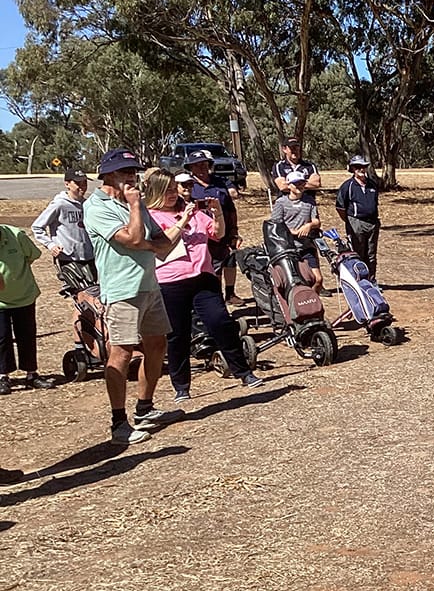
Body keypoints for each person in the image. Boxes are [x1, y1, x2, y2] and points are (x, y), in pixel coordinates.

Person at [83, 149, 185, 444]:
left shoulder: (134, 203)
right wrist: (135, 209)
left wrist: (145, 239)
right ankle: (119, 423)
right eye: (124, 171)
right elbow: (135, 238)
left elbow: (162, 243)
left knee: (157, 345)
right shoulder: (97, 207)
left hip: (149, 286)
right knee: (123, 352)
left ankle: (145, 408)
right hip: (122, 290)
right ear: (107, 175)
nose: (131, 177)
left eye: (133, 171)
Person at [145, 168, 263, 401]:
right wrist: (184, 220)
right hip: (170, 282)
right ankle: (181, 386)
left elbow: (217, 234)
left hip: (203, 277)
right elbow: (163, 243)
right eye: (168, 190)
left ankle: (244, 372)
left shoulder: (193, 211)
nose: (174, 194)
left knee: (221, 322)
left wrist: (217, 214)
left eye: (175, 189)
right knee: (177, 335)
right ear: (157, 192)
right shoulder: (150, 216)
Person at [0, 224, 58, 394]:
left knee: (27, 335)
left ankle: (31, 374)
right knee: (2, 338)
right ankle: (3, 376)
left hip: (24, 295)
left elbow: (33, 255)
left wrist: (16, 273)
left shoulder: (16, 235)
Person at [185, 149, 242, 304]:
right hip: (203, 233)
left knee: (229, 260)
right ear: (190, 168)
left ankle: (230, 293)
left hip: (225, 229)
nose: (202, 168)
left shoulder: (219, 182)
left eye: (204, 164)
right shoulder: (189, 186)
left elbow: (231, 208)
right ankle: (216, 297)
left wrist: (234, 231)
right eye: (197, 165)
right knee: (212, 266)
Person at [269, 170, 327, 295]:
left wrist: (309, 226)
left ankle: (311, 300)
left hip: (306, 246)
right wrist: (293, 232)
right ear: (289, 185)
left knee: (318, 279)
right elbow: (275, 225)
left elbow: (316, 221)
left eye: (302, 183)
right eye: (296, 183)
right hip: (287, 248)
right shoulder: (281, 203)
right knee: (293, 282)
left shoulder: (309, 201)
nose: (299, 186)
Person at [31, 168, 94, 267]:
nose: (82, 187)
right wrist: (51, 245)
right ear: (67, 184)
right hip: (68, 257)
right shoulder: (59, 204)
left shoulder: (88, 204)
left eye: (84, 183)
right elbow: (37, 227)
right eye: (78, 183)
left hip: (90, 256)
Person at [335, 155, 381, 280]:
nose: (361, 169)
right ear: (352, 169)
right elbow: (340, 207)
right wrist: (350, 221)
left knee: (371, 254)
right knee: (357, 252)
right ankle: (358, 280)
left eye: (363, 166)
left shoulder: (372, 184)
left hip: (372, 223)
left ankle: (371, 280)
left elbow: (375, 203)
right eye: (357, 167)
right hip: (356, 223)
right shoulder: (347, 186)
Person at [273, 135, 320, 201]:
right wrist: (305, 183)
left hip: (307, 202)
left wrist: (292, 185)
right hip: (285, 202)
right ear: (284, 149)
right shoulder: (279, 166)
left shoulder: (310, 166)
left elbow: (316, 183)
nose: (295, 150)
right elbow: (282, 186)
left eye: (297, 147)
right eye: (292, 148)